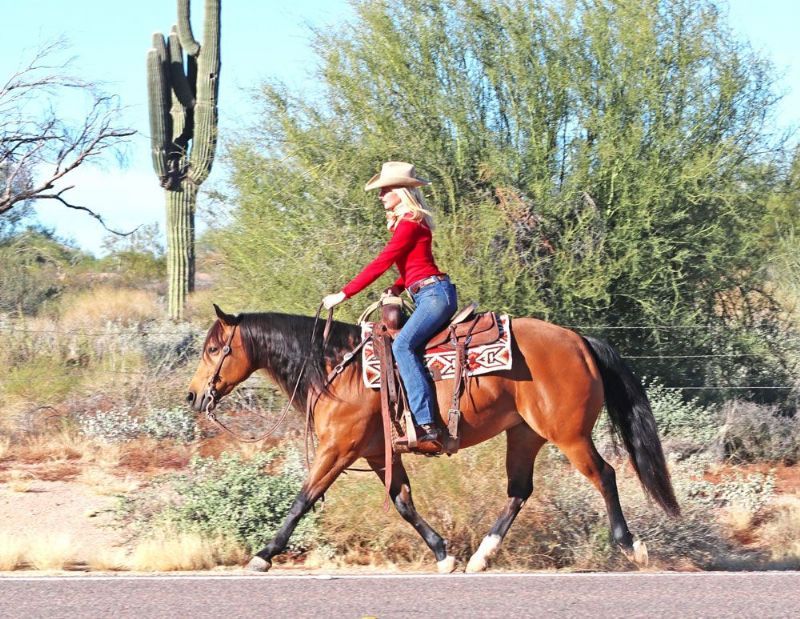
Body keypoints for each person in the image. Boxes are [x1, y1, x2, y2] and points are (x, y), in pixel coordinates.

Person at [322, 161, 458, 443]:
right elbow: (417, 266)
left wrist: (343, 294)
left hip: (434, 296)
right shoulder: (409, 223)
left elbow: (381, 263)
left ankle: (425, 423)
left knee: (402, 346)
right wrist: (396, 286)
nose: (381, 195)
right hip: (428, 293)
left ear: (401, 191)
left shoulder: (409, 224)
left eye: (385, 190)